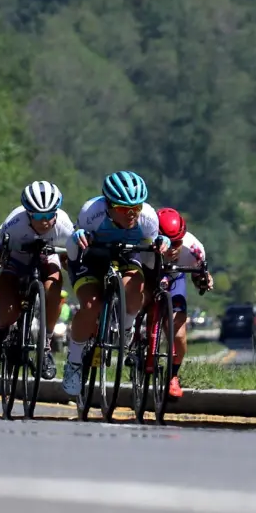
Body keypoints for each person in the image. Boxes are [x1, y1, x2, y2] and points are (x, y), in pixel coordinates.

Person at [63, 171, 160, 397]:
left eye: (136, 208)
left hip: (127, 255)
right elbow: (72, 253)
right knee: (91, 305)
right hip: (90, 258)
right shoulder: (91, 212)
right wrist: (77, 239)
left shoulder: (148, 217)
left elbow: (149, 258)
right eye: (124, 208)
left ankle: (125, 330)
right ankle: (74, 362)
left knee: (136, 289)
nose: (132, 214)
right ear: (108, 204)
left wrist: (158, 245)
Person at [0, 181, 74, 381]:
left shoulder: (65, 226)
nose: (44, 221)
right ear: (27, 213)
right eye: (38, 216)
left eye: (49, 215)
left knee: (54, 287)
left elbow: (71, 259)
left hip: (47, 256)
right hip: (15, 259)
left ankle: (46, 345)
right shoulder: (13, 224)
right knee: (10, 311)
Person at [156, 207, 214, 399]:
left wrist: (204, 280)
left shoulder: (194, 249)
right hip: (148, 273)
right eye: (167, 242)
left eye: (177, 242)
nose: (173, 248)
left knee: (179, 333)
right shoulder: (144, 237)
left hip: (174, 277)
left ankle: (173, 375)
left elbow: (199, 278)